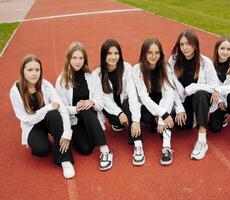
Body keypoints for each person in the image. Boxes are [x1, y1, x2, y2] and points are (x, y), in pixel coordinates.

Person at [10, 54, 75, 179]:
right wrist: (48, 107)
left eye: (37, 70)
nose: (34, 74)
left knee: (55, 114)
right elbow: (26, 118)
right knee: (42, 151)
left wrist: (67, 133)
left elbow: (61, 108)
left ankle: (65, 159)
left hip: (49, 120)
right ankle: (46, 138)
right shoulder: (15, 92)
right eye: (30, 70)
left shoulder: (45, 85)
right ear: (22, 71)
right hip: (33, 125)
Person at [55, 42, 113, 170]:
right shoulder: (61, 80)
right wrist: (76, 108)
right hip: (74, 120)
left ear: (85, 59)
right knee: (85, 149)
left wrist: (91, 102)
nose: (78, 61)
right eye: (74, 58)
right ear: (69, 59)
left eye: (81, 58)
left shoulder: (92, 76)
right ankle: (93, 135)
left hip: (90, 115)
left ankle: (105, 151)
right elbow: (61, 108)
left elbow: (100, 101)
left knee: (86, 109)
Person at [168, 29, 218, 160]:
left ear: (195, 45)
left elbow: (214, 86)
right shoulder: (172, 61)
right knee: (181, 126)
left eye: (188, 44)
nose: (185, 48)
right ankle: (194, 117)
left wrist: (193, 87)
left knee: (200, 94)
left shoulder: (205, 62)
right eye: (182, 44)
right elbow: (170, 87)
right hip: (183, 100)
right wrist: (179, 108)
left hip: (201, 99)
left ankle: (202, 140)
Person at [94, 38, 143, 166]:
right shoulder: (97, 74)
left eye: (116, 53)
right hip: (113, 111)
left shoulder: (126, 68)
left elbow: (132, 95)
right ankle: (118, 122)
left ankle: (138, 145)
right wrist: (119, 113)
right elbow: (104, 100)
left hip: (126, 104)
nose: (113, 57)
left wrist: (136, 121)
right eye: (109, 54)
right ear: (103, 55)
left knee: (129, 103)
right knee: (103, 104)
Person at [132, 38, 175, 165]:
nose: (153, 56)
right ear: (144, 53)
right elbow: (144, 98)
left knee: (169, 114)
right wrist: (163, 114)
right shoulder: (137, 69)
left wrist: (163, 118)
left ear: (161, 54)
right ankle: (154, 122)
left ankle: (166, 147)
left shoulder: (165, 67)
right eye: (150, 52)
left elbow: (169, 93)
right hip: (147, 106)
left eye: (157, 53)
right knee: (152, 116)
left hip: (163, 103)